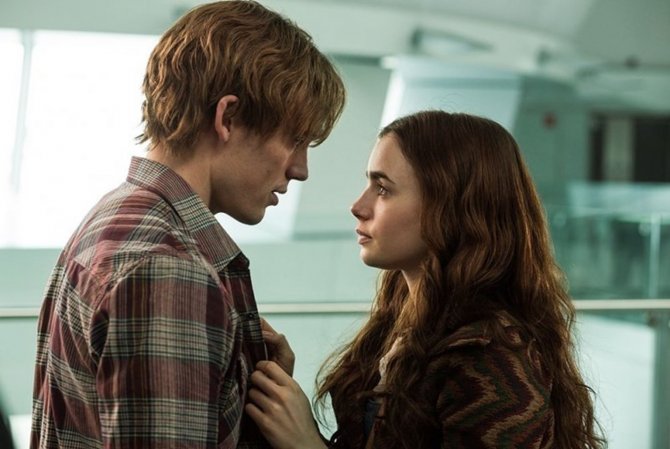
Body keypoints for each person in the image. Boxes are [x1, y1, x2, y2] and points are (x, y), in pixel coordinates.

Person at [30, 1, 345, 448]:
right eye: (294, 140)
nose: (300, 169)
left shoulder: (114, 215)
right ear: (227, 118)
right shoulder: (167, 268)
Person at [245, 110, 606, 449]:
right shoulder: (403, 325)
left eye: (383, 189)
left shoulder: (492, 355)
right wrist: (281, 397)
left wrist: (307, 445)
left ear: (449, 208)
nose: (358, 206)